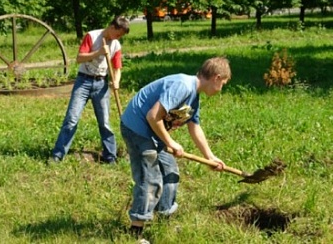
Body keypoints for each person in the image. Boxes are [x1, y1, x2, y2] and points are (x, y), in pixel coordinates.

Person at [120, 57, 231, 239]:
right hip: (137, 129)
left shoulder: (194, 96)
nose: (222, 88)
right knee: (150, 179)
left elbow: (194, 127)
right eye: (224, 83)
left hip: (154, 133)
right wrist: (171, 142)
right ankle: (135, 231)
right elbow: (152, 116)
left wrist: (210, 157)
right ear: (217, 77)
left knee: (170, 172)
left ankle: (164, 218)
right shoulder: (183, 85)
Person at [50, 16, 130, 164]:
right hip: (83, 82)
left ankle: (110, 156)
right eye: (118, 34)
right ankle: (58, 154)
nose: (118, 38)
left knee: (105, 122)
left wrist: (116, 81)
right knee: (71, 119)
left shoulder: (116, 45)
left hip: (101, 84)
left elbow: (117, 68)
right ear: (112, 27)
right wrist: (98, 52)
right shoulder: (92, 36)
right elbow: (79, 58)